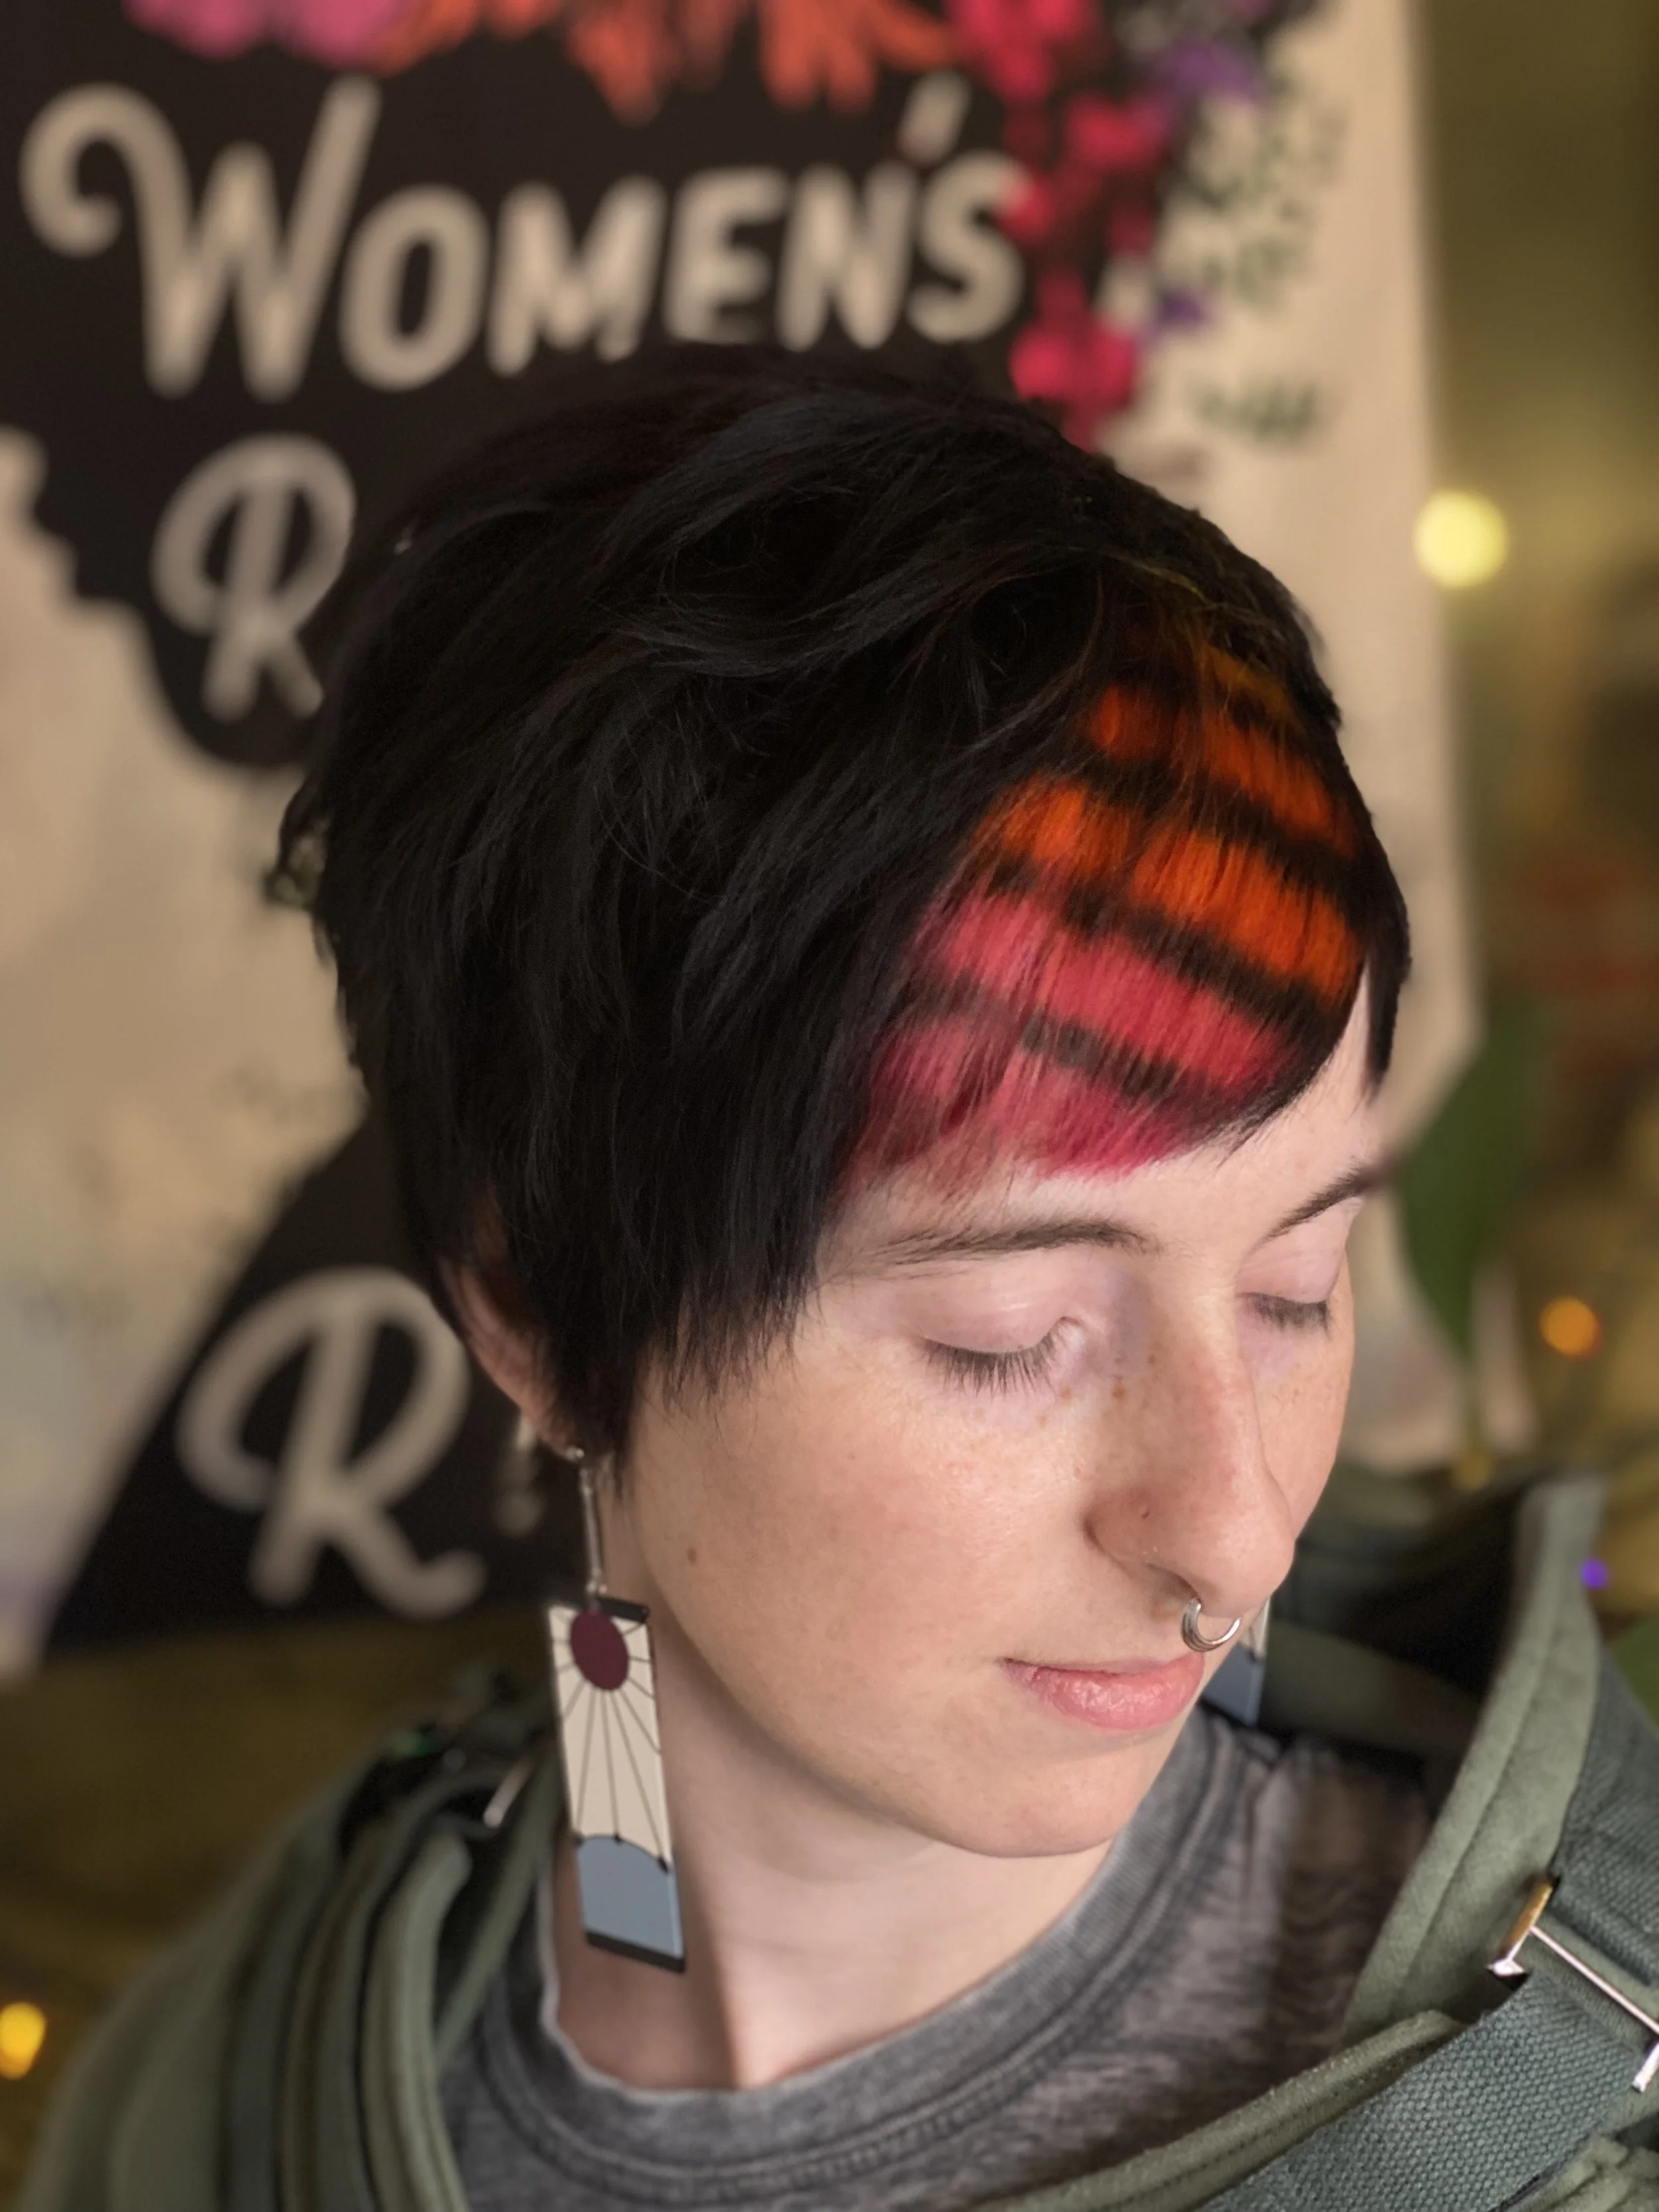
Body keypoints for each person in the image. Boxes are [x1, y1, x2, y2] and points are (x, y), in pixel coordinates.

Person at [22, 353, 1659, 2212]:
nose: (1236, 1534)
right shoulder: (230, 2083)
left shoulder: (1572, 2122)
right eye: (1010, 1338)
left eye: (1297, 1283)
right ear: (536, 1314)